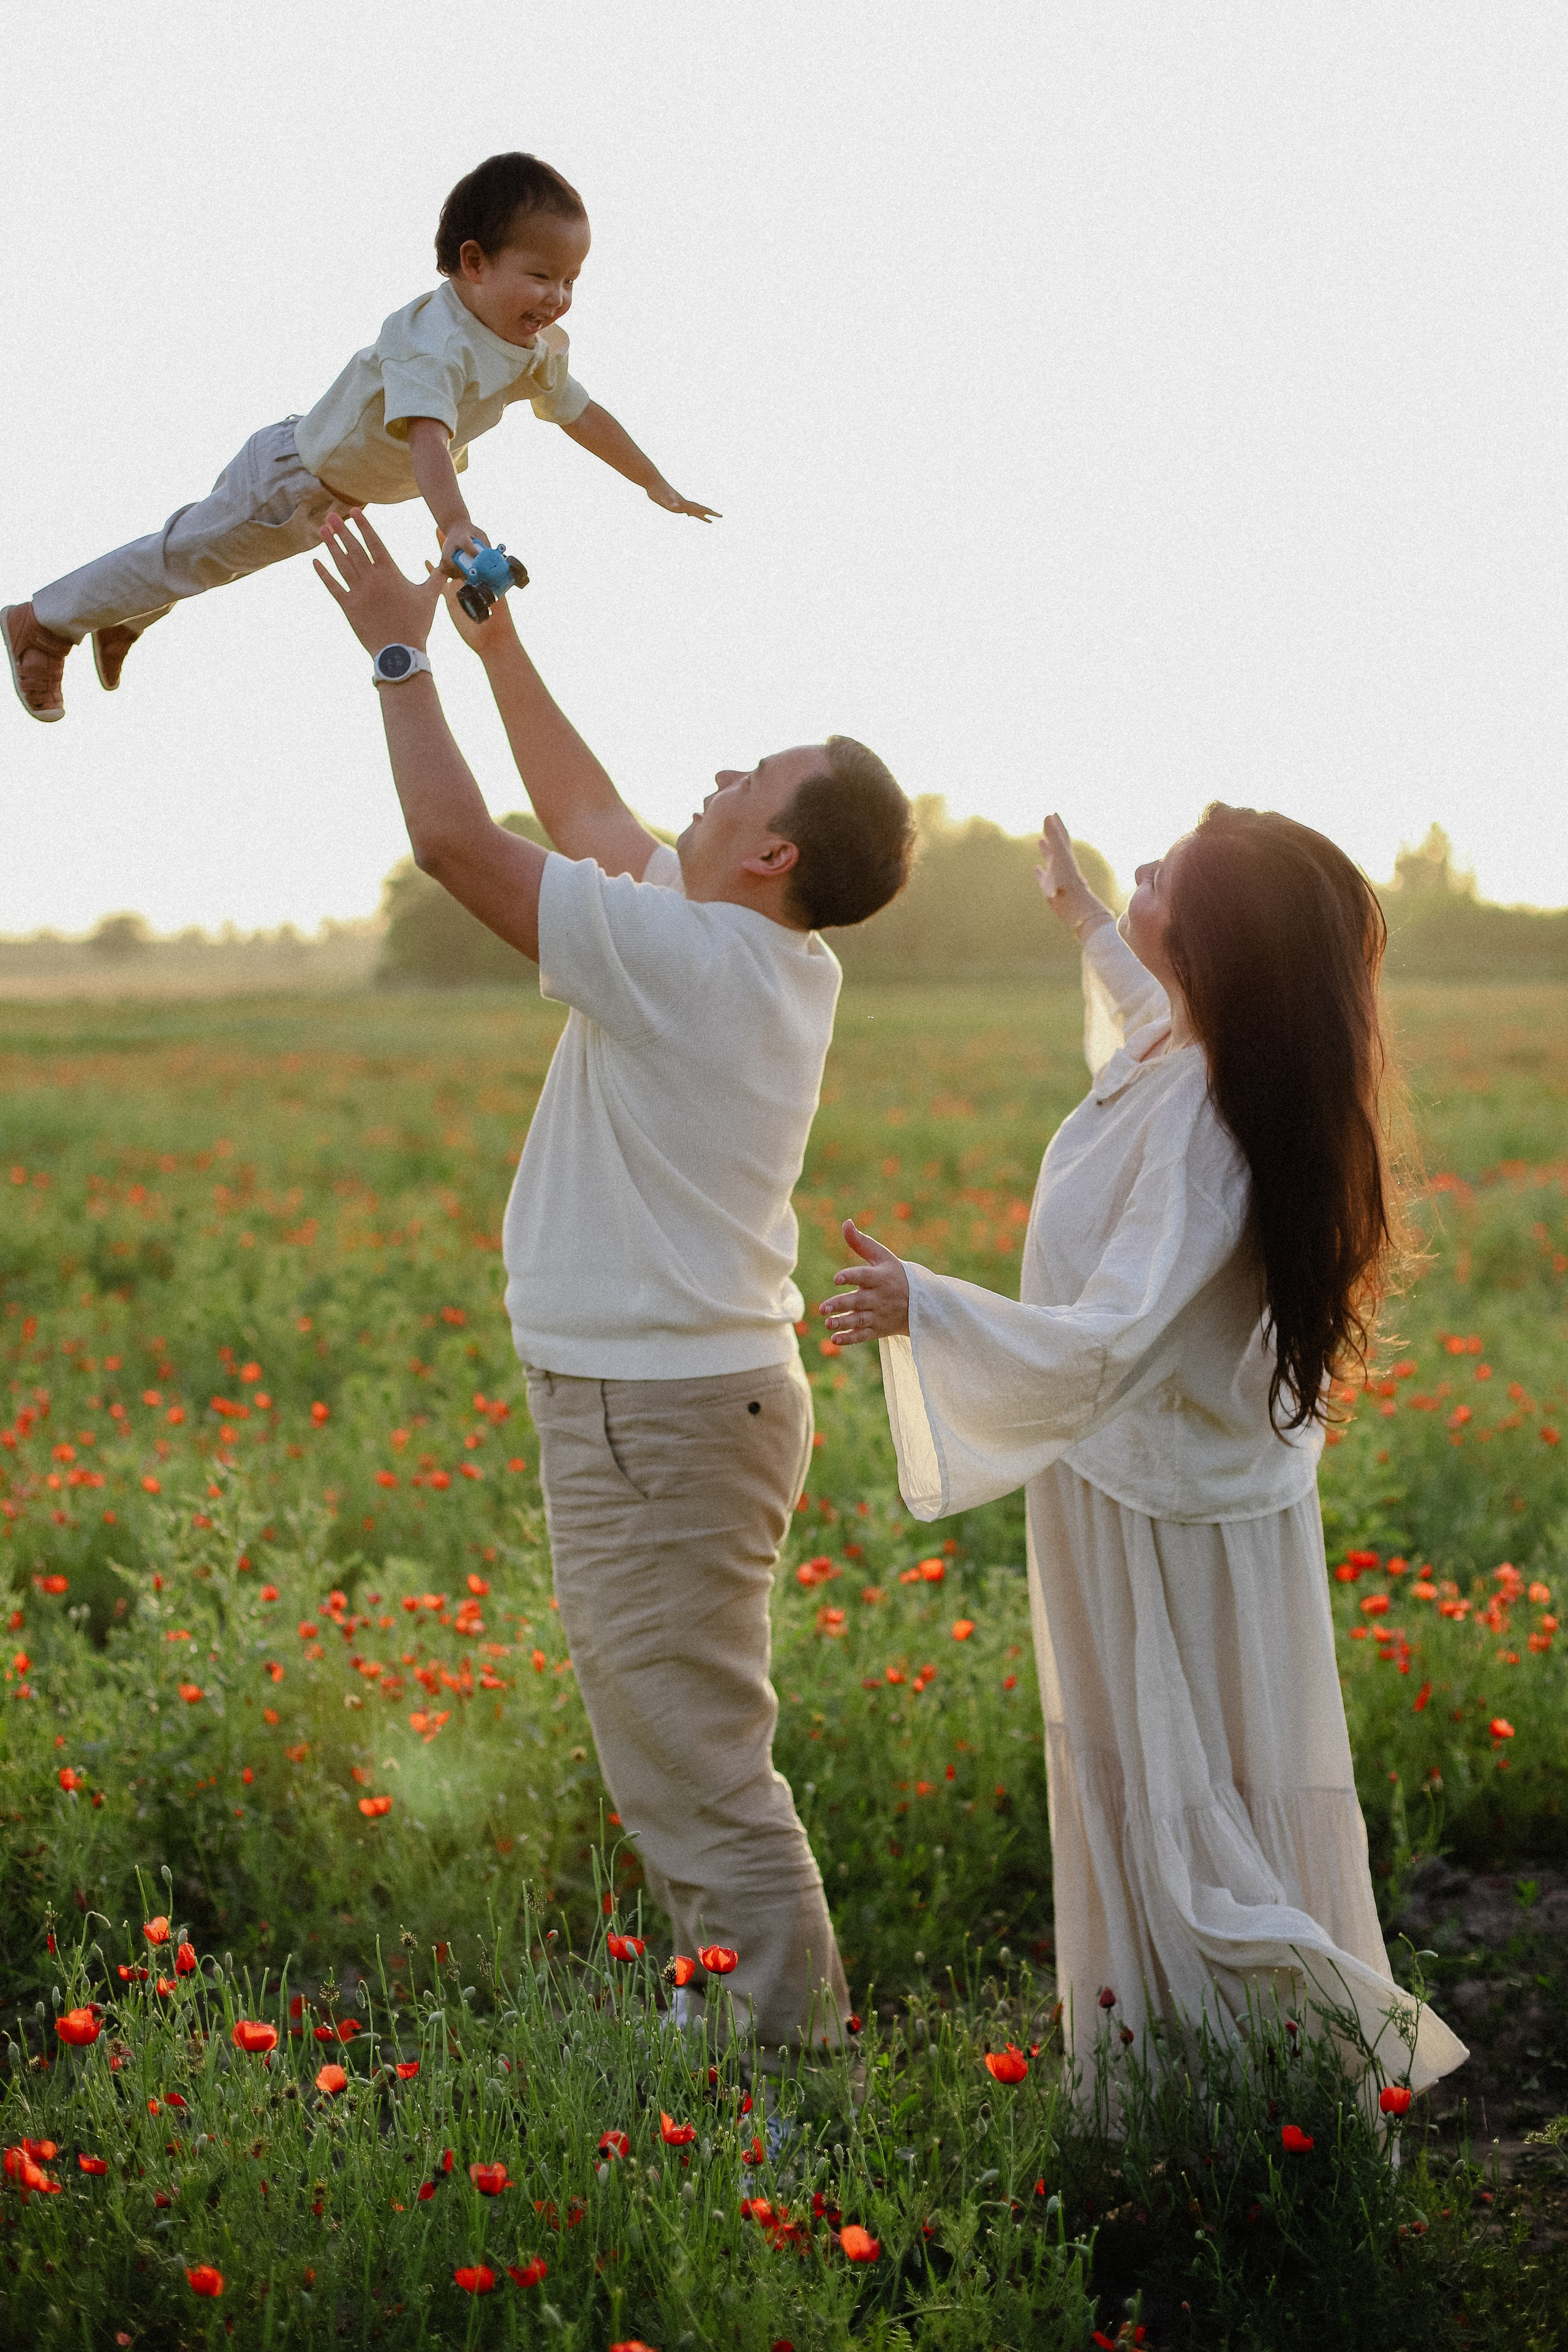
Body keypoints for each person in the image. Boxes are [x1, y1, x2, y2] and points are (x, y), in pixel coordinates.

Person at [313, 508, 915, 2065]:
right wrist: (493, 634)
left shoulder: (697, 964)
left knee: (701, 1774)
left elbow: (462, 843)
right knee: (682, 1761)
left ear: (773, 851)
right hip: (667, 1405)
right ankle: (739, 2033)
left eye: (746, 780)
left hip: (657, 1418)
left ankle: (795, 2099)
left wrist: (401, 656)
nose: (715, 779)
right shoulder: (738, 948)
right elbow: (579, 805)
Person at [820, 808, 1468, 2098]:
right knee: (1195, 1779)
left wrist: (928, 1306)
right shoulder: (1219, 1055)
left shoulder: (1202, 1123)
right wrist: (1085, 919)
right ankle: (1220, 2079)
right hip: (1181, 1494)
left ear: (1221, 940)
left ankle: (1264, 2074)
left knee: (1178, 1799)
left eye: (1167, 872)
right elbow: (1146, 1019)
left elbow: (1109, 1332)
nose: (1145, 873)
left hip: (1153, 1513)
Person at [4, 151, 716, 725]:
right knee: (189, 556)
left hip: (327, 493)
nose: (557, 298)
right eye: (540, 276)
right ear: (474, 263)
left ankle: (119, 613)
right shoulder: (433, 344)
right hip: (295, 477)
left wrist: (652, 481)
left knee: (202, 554)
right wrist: (454, 521)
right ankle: (44, 622)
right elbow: (428, 440)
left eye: (570, 280)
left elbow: (580, 412)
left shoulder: (533, 347)